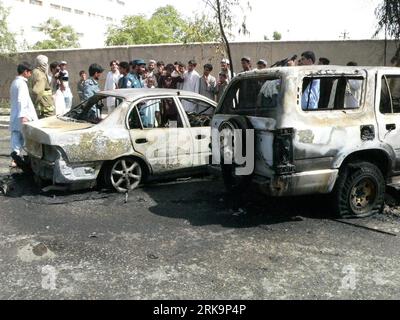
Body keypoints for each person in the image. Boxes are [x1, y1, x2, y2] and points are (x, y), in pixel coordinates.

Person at [9, 62, 38, 169]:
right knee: (27, 138)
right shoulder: (21, 84)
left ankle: (14, 158)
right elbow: (21, 100)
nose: (30, 74)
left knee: (16, 138)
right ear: (25, 72)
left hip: (16, 115)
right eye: (29, 72)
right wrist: (23, 116)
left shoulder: (14, 83)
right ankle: (29, 160)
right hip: (22, 115)